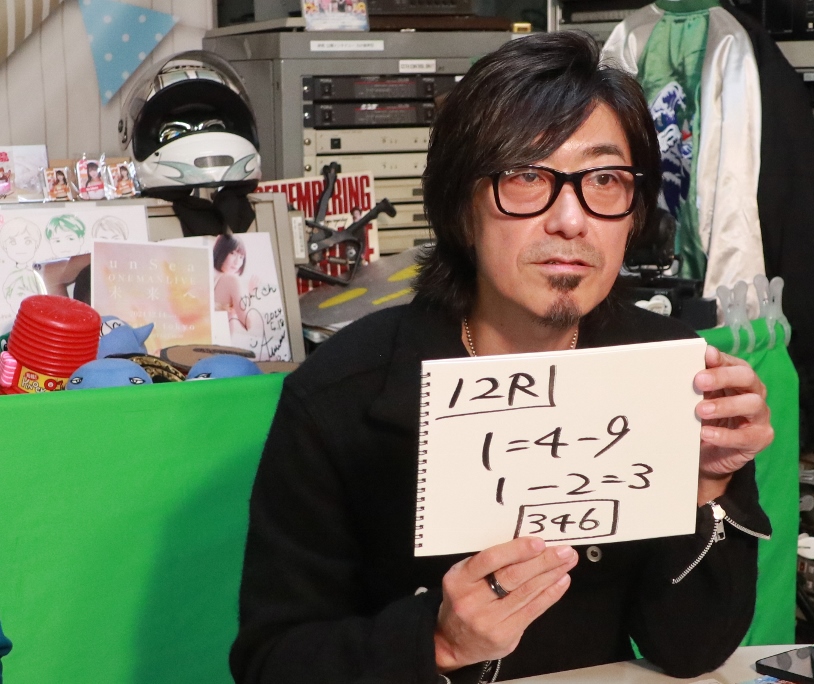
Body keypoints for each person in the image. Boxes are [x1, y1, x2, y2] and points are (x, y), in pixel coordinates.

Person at [230, 31, 773, 684]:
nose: (571, 220)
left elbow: (690, 649)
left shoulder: (669, 373)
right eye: (527, 176)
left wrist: (707, 486)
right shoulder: (340, 396)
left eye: (604, 180)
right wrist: (436, 641)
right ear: (462, 206)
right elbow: (272, 661)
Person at [213, 233, 258, 334]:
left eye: (241, 257)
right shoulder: (231, 280)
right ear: (221, 251)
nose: (237, 262)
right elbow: (248, 324)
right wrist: (251, 295)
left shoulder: (212, 276)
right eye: (233, 253)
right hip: (222, 340)